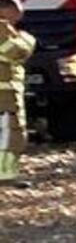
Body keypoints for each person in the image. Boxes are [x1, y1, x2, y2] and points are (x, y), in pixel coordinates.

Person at [0, 13, 31, 178]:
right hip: (6, 99)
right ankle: (5, 174)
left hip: (6, 98)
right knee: (9, 136)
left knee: (10, 136)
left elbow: (18, 53)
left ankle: (6, 173)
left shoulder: (22, 37)